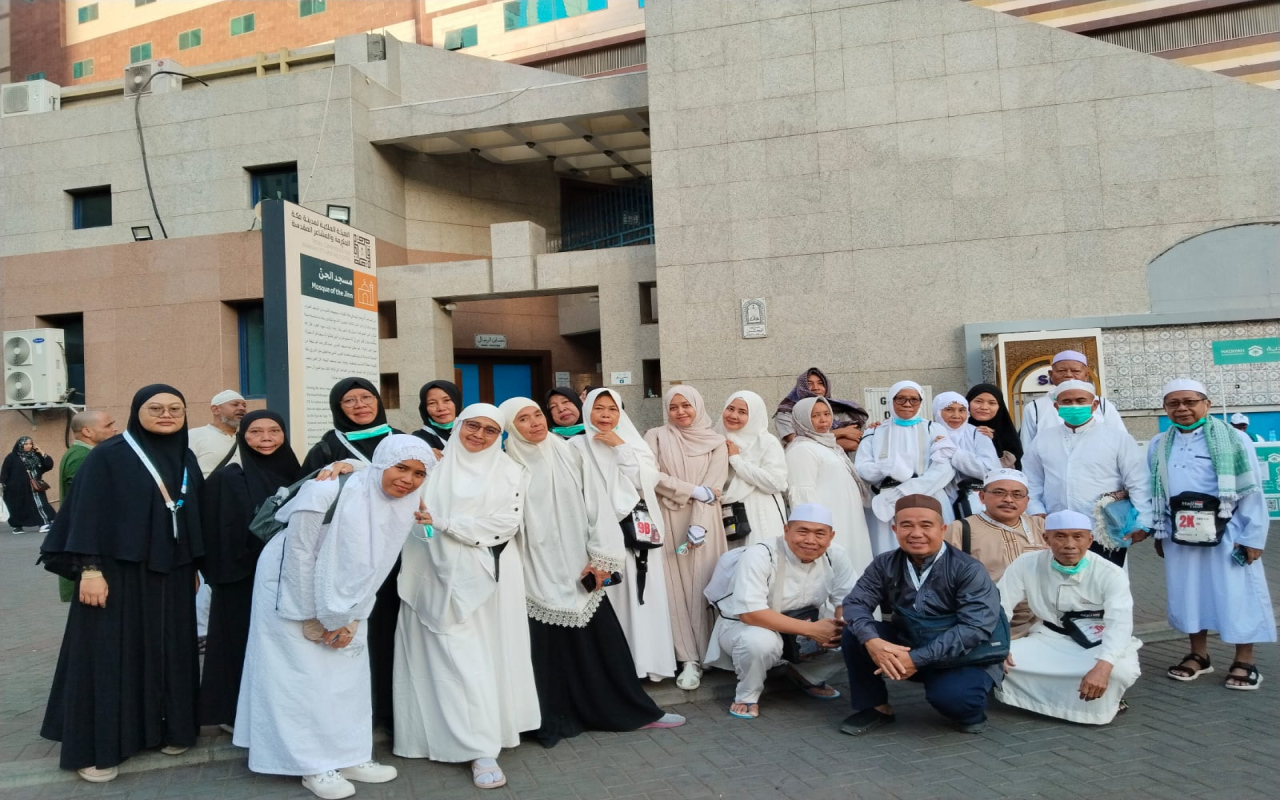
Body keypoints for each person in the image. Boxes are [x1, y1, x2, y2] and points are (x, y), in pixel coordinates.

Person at [234, 434, 430, 800]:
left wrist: (352, 617)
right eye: (401, 468)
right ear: (382, 464)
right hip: (290, 588)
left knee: (346, 675)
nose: (408, 479)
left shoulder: (402, 501)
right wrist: (311, 615)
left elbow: (380, 564)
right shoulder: (324, 490)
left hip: (348, 594)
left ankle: (349, 754)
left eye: (419, 473)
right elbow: (298, 553)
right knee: (301, 677)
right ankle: (310, 764)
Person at [39, 385, 204, 783]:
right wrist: (90, 569)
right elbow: (87, 513)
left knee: (167, 651)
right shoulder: (108, 456)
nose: (166, 415)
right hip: (115, 574)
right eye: (156, 408)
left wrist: (192, 565)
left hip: (171, 574)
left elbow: (190, 512)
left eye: (175, 409)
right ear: (136, 412)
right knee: (109, 655)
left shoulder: (185, 456)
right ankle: (95, 748)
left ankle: (165, 728)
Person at [498, 398, 683, 747]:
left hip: (580, 566)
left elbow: (596, 506)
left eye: (537, 414)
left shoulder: (568, 453)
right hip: (534, 572)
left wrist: (601, 559)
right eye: (522, 419)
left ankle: (631, 711)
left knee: (603, 646)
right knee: (546, 652)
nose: (535, 423)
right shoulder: (506, 465)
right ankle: (553, 719)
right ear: (510, 428)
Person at [393, 404, 539, 790]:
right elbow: (393, 488)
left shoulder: (510, 472)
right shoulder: (431, 468)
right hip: (428, 573)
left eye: (490, 430)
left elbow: (505, 523)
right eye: (472, 425)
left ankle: (481, 747)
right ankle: (427, 738)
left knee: (474, 662)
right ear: (457, 426)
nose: (479, 435)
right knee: (436, 661)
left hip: (484, 579)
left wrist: (445, 524)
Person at [839, 494, 1006, 736]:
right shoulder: (884, 564)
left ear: (942, 529)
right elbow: (855, 603)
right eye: (906, 525)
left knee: (957, 701)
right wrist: (872, 641)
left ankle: (970, 709)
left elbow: (975, 628)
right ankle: (875, 707)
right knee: (854, 633)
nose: (916, 533)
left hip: (961, 654)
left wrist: (916, 659)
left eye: (926, 525)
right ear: (895, 529)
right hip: (910, 642)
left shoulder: (968, 569)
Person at [1151, 379, 1274, 690]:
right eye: (1173, 403)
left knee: (1237, 593)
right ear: (1165, 408)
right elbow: (1156, 489)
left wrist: (1253, 536)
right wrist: (1159, 532)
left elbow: (1252, 490)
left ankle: (1244, 660)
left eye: (1189, 401)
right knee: (1190, 594)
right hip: (1180, 533)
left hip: (1229, 531)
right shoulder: (1159, 443)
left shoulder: (1234, 438)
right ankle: (1199, 655)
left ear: (1206, 404)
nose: (1182, 408)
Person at [299, 377, 403, 731]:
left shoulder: (400, 441)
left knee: (393, 629)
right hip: (350, 556)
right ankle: (358, 715)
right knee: (357, 632)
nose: (360, 405)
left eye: (366, 397)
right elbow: (312, 500)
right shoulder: (327, 447)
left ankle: (393, 710)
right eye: (349, 401)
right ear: (338, 408)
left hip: (399, 554)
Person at [198, 411, 301, 733]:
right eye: (256, 432)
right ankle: (233, 713)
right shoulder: (229, 477)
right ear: (242, 436)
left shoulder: (296, 473)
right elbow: (215, 529)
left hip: (286, 577)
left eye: (274, 431)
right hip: (241, 579)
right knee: (238, 645)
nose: (266, 438)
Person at [705, 504, 855, 719]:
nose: (810, 540)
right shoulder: (760, 554)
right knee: (759, 642)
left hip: (806, 625)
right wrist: (813, 630)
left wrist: (841, 628)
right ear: (786, 530)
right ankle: (747, 694)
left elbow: (848, 600)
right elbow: (750, 614)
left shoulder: (835, 554)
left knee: (859, 634)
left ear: (831, 536)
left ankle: (806, 675)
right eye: (802, 531)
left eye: (819, 534)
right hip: (749, 626)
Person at [996, 509, 1142, 725]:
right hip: (1048, 639)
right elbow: (1000, 606)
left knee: (1119, 671)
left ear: (1090, 540)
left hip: (1096, 641)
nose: (1069, 544)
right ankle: (1049, 703)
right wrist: (998, 645)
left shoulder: (1111, 573)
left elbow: (1119, 624)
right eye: (1060, 536)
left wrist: (1104, 666)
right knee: (996, 660)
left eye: (1077, 536)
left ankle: (1102, 703)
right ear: (1046, 539)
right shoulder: (1027, 563)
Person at [574, 388, 677, 683]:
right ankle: (615, 672)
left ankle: (644, 664)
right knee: (609, 597)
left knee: (639, 597)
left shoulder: (633, 443)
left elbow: (645, 481)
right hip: (594, 534)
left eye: (612, 409)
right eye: (599, 408)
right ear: (588, 410)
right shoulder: (576, 445)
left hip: (634, 536)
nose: (605, 415)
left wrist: (620, 447)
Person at [645, 385, 730, 691]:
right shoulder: (656, 436)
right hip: (668, 521)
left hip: (705, 523)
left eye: (686, 405)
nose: (680, 412)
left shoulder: (716, 442)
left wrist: (699, 524)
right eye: (673, 407)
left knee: (704, 585)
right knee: (675, 590)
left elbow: (713, 488)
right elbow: (648, 475)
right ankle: (687, 658)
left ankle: (711, 654)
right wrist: (690, 490)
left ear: (698, 406)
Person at [1024, 380, 1152, 567]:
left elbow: (1138, 482)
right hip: (1057, 528)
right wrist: (1036, 511)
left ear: (1095, 405)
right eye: (1067, 402)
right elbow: (1031, 480)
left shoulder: (1118, 438)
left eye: (1080, 400)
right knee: (1058, 580)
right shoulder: (1042, 439)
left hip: (1105, 530)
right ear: (1056, 406)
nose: (1074, 406)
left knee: (1104, 580)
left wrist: (1143, 521)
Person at [855, 380, 956, 556]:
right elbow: (862, 468)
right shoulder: (875, 431)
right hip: (886, 504)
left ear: (920, 402)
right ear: (891, 400)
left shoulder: (933, 429)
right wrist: (886, 469)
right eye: (900, 398)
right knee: (889, 553)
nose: (907, 404)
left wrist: (904, 492)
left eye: (913, 399)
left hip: (927, 496)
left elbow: (944, 469)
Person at [944, 469, 1048, 638]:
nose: (1008, 499)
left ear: (1027, 500)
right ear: (982, 496)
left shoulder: (1041, 526)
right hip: (986, 623)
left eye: (1017, 495)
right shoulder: (959, 530)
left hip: (1041, 621)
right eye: (999, 492)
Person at [784, 397, 873, 572]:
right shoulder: (801, 449)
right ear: (802, 419)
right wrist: (814, 532)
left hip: (847, 518)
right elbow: (802, 497)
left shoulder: (828, 445)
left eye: (826, 414)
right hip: (828, 522)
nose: (823, 419)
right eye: (815, 415)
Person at [54, 410, 119, 600]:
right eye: (108, 425)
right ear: (87, 432)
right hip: (87, 550)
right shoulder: (83, 457)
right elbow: (88, 506)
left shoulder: (82, 454)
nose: (115, 429)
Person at [717, 391, 789, 548]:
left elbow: (776, 482)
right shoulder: (716, 438)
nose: (733, 415)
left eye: (742, 412)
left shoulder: (767, 442)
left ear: (754, 416)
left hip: (760, 511)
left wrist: (736, 460)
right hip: (726, 513)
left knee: (758, 556)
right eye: (730, 409)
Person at [1019, 351, 1127, 452]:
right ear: (1051, 375)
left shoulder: (1103, 405)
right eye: (1061, 371)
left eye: (1075, 371)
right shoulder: (1035, 408)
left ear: (1086, 375)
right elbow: (1027, 448)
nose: (1069, 375)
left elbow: (1121, 441)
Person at [933, 392, 1000, 519]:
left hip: (972, 502)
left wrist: (955, 453)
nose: (956, 415)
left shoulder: (978, 434)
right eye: (949, 409)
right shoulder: (928, 433)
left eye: (962, 410)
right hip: (936, 500)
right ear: (937, 411)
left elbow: (991, 470)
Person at [773, 367, 868, 452]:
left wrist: (817, 439)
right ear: (801, 388)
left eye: (820, 383)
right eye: (809, 384)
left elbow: (852, 443)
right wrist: (842, 432)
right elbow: (795, 440)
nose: (816, 388)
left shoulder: (840, 408)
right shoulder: (786, 412)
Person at [187, 390, 248, 477]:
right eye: (235, 404)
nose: (242, 408)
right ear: (215, 410)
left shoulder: (247, 439)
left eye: (244, 405)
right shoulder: (194, 435)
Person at [2, 436, 56, 534]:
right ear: (20, 445)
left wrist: (41, 451)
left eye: (30, 444)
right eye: (26, 444)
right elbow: (5, 472)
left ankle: (44, 524)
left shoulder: (35, 456)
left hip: (35, 487)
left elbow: (49, 465)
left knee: (40, 504)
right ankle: (17, 526)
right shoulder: (12, 457)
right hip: (17, 488)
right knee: (18, 507)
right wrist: (3, 484)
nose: (28, 446)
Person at [966, 384, 1022, 469]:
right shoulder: (955, 430)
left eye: (992, 403)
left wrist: (995, 442)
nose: (984, 407)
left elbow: (1017, 468)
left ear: (999, 407)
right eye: (978, 401)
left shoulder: (1008, 435)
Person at [413, 380, 461, 457]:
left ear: (457, 402)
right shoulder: (418, 441)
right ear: (424, 408)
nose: (441, 408)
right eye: (432, 403)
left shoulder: (473, 434)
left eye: (447, 400)